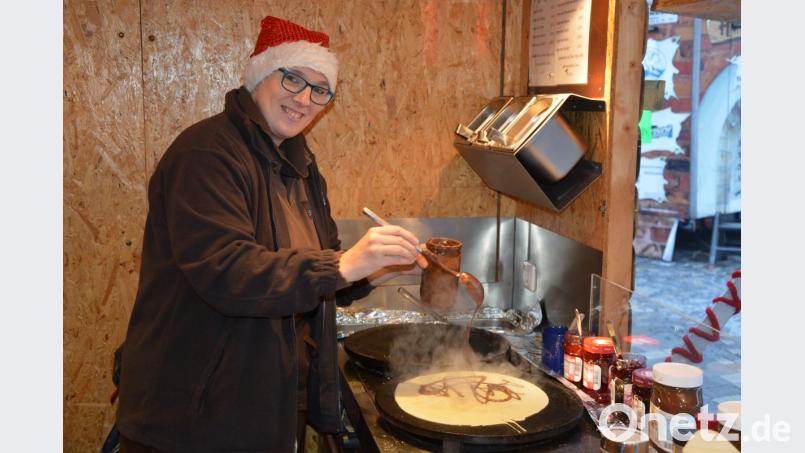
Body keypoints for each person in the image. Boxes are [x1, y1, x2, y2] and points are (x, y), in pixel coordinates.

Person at [116, 16, 427, 452]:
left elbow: (320, 264)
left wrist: (370, 272)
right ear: (261, 74)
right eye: (293, 79)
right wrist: (344, 264)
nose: (304, 99)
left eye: (320, 90)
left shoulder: (299, 165)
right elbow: (228, 271)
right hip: (192, 417)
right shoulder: (206, 154)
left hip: (262, 404)